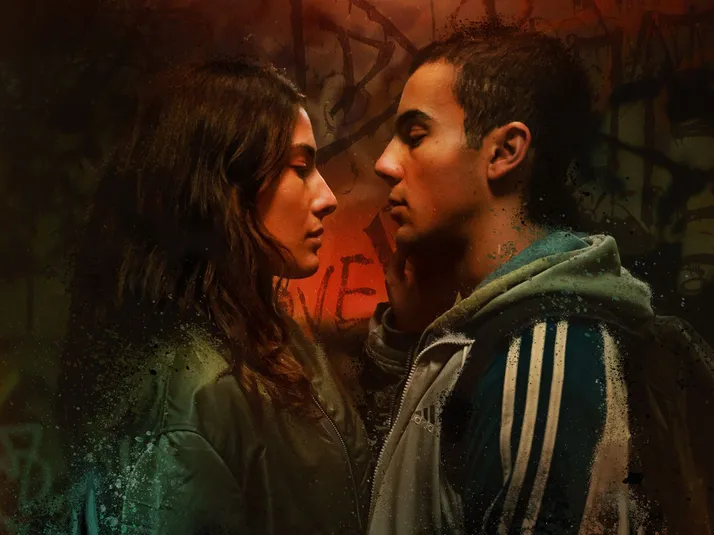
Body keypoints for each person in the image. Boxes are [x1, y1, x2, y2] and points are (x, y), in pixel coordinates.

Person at [364, 21, 659, 534]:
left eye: (415, 136)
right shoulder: (492, 328)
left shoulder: (543, 347)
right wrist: (412, 338)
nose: (384, 163)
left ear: (504, 152)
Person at [57, 57, 371, 534]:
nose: (327, 197)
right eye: (300, 167)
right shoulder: (190, 400)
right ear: (225, 188)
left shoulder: (270, 336)